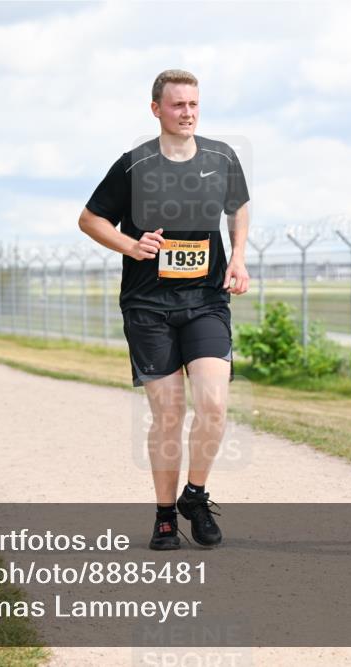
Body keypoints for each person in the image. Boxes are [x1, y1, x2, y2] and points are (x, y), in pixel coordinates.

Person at [78, 69, 250, 550]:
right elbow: (90, 219)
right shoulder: (134, 165)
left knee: (214, 405)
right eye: (177, 105)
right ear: (156, 109)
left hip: (206, 300)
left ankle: (194, 495)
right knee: (170, 412)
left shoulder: (222, 157)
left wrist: (237, 256)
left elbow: (239, 207)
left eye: (193, 104)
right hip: (148, 305)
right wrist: (131, 246)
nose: (187, 113)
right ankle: (164, 517)